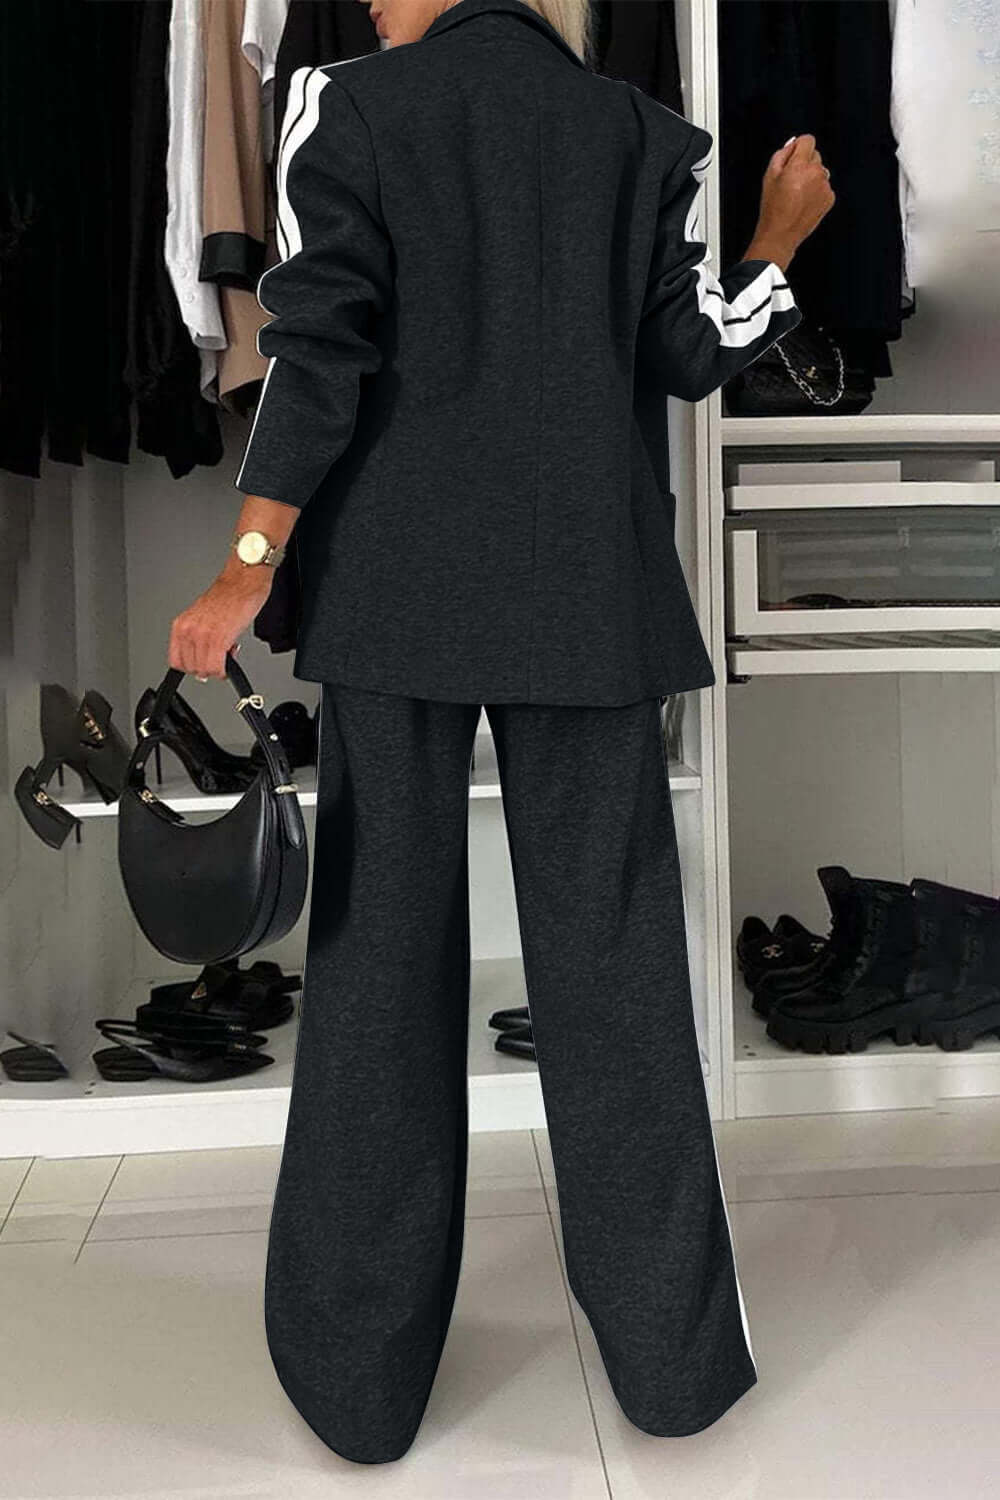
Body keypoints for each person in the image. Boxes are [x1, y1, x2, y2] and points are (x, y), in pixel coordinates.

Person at [169, 0, 834, 1466]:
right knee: (618, 979)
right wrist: (778, 244)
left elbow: (317, 351)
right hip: (589, 601)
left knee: (377, 978)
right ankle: (670, 1371)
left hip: (397, 607)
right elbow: (691, 352)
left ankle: (358, 1387)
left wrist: (249, 565)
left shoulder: (353, 106)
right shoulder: (639, 134)